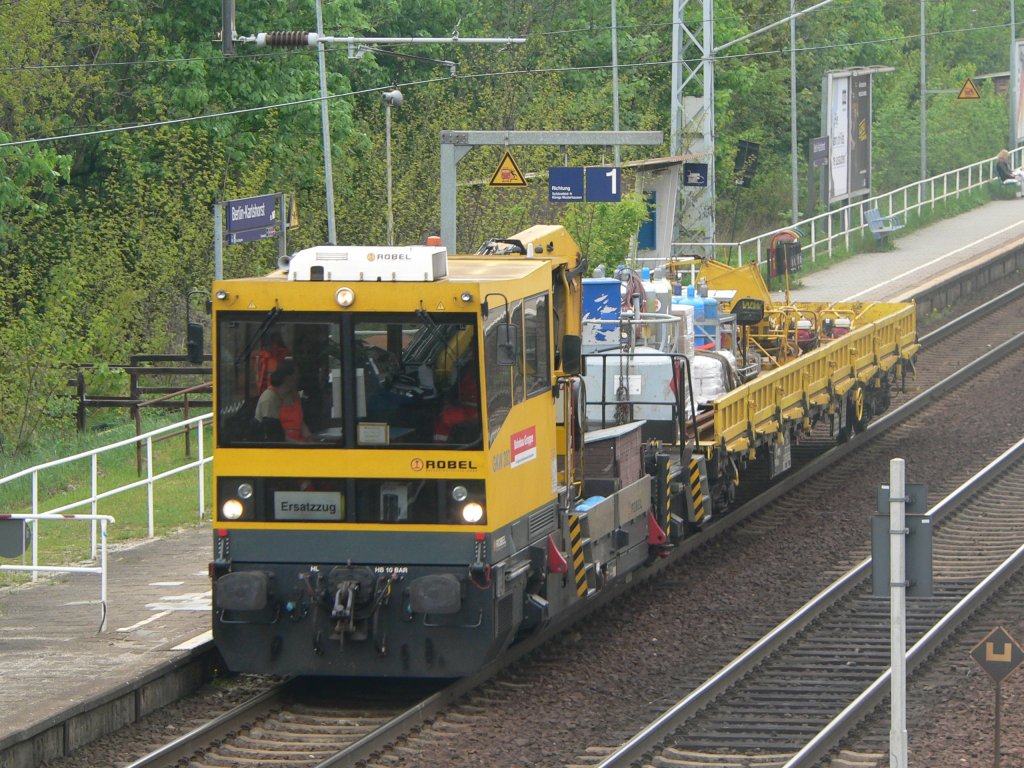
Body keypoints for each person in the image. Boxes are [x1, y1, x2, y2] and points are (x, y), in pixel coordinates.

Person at [253, 358, 312, 442]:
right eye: (296, 374)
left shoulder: (294, 394)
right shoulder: (269, 399)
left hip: (298, 444)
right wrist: (301, 446)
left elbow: (300, 422)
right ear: (288, 378)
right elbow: (274, 435)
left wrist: (309, 438)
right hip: (281, 447)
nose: (299, 377)